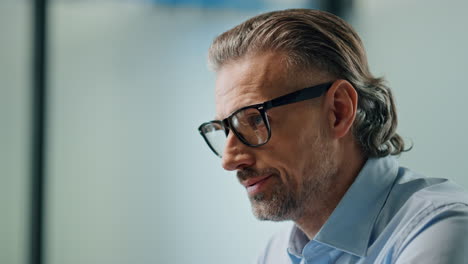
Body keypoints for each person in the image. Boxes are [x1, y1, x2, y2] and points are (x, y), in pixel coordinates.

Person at [198, 9, 468, 264]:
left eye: (255, 120)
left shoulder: (439, 229)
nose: (229, 160)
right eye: (225, 130)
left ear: (338, 111)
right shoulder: (275, 253)